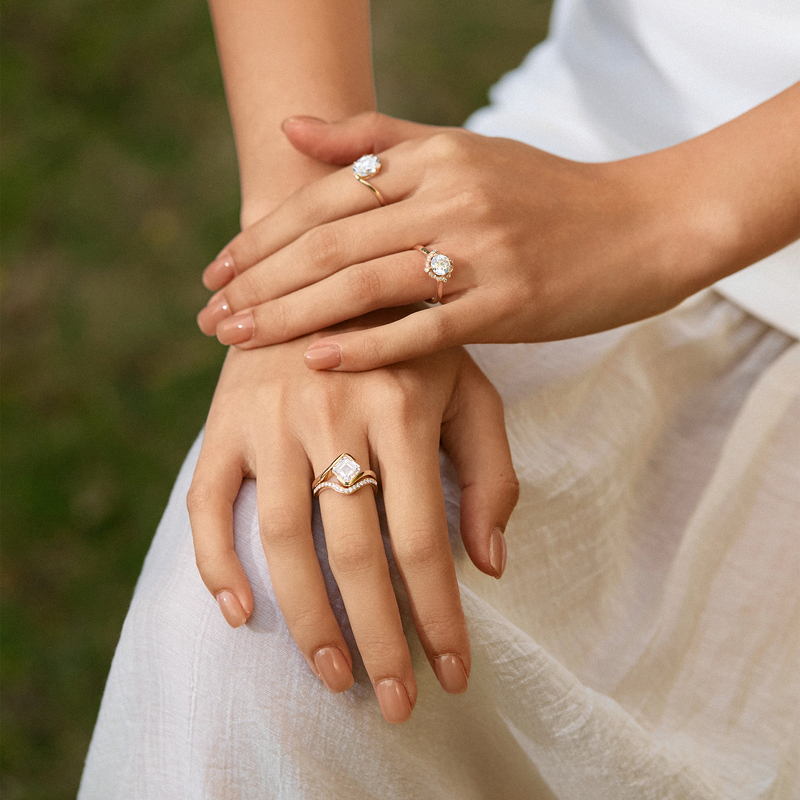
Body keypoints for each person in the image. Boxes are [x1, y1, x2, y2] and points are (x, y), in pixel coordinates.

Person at [79, 0, 799, 796]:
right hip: (580, 169)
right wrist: (319, 247)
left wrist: (658, 220)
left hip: (655, 216)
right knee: (277, 598)